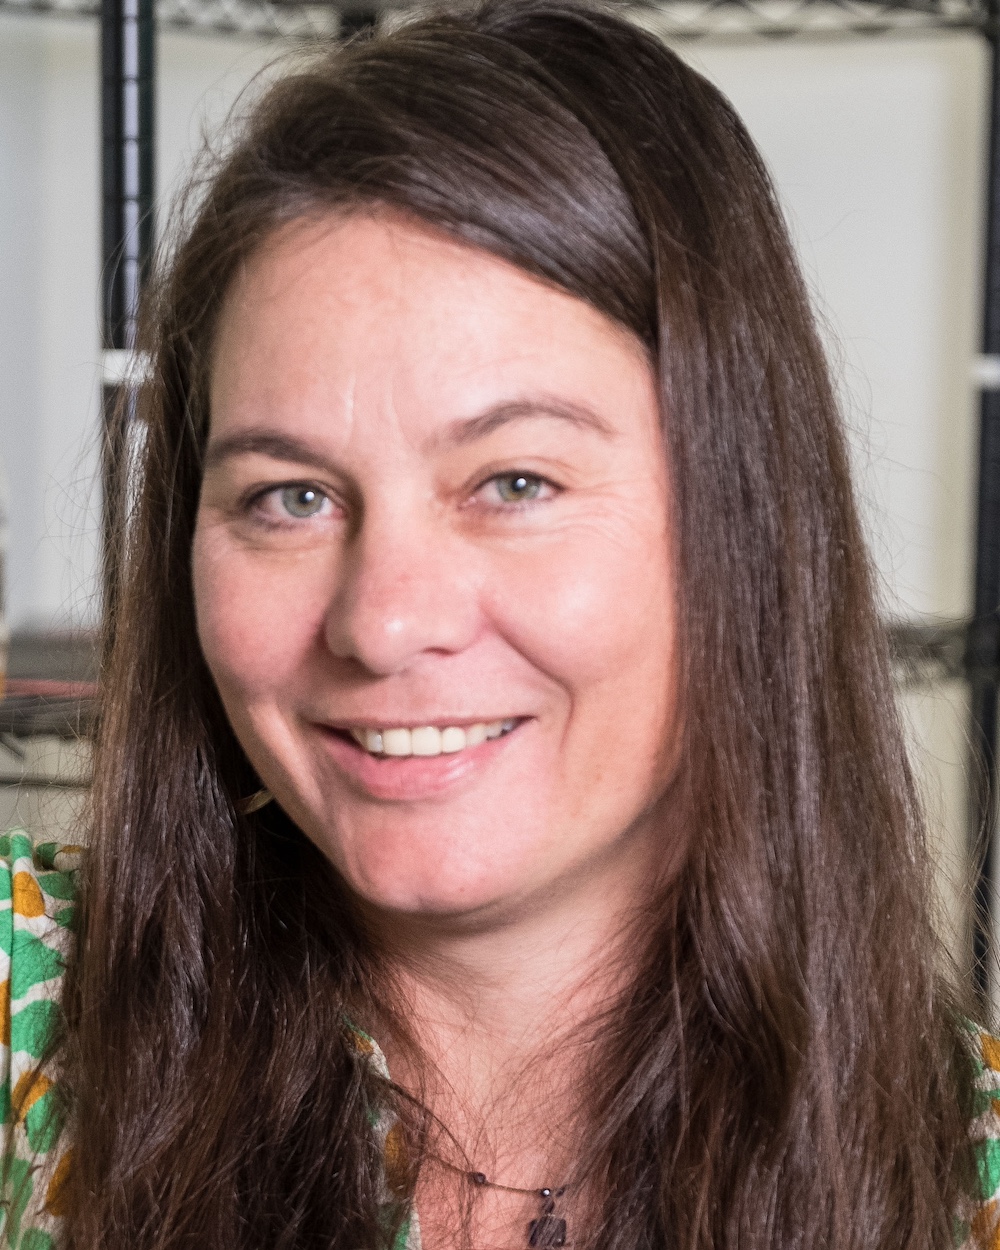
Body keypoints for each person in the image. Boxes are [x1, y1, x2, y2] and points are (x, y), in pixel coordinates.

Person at [1, 2, 997, 1247]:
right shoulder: (24, 1009)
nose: (383, 619)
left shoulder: (963, 1174)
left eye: (513, 482)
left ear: (745, 518)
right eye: (290, 495)